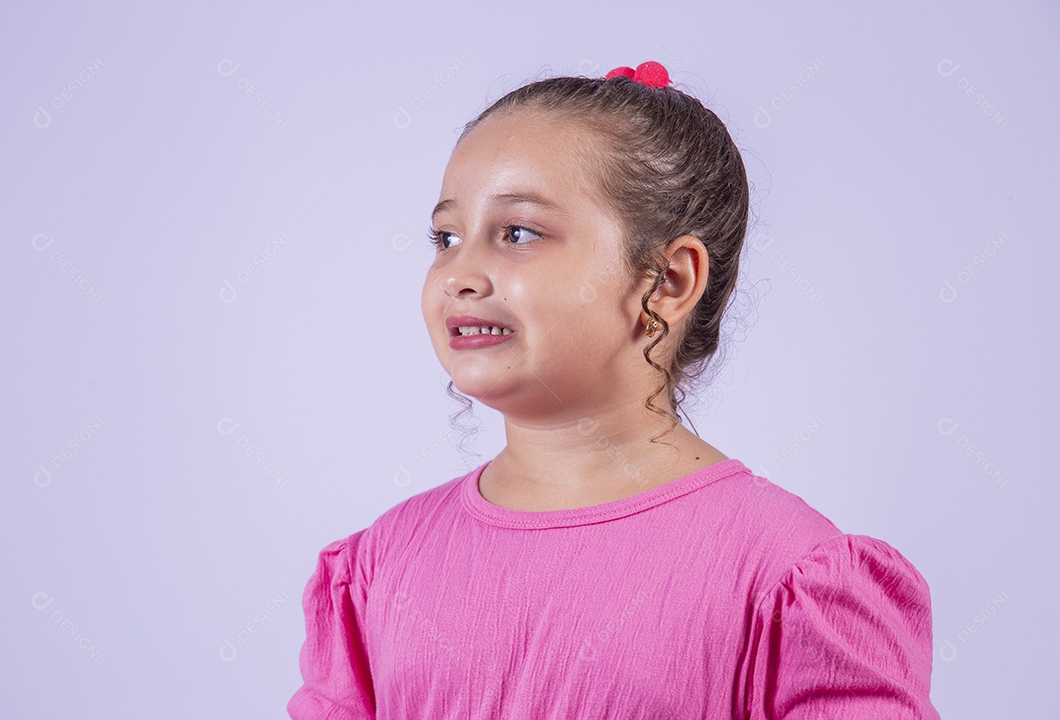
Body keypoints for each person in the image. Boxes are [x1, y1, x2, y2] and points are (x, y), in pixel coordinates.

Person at [287, 61, 941, 719]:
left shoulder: (786, 576)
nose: (460, 273)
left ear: (667, 281)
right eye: (447, 237)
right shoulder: (379, 568)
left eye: (518, 233)